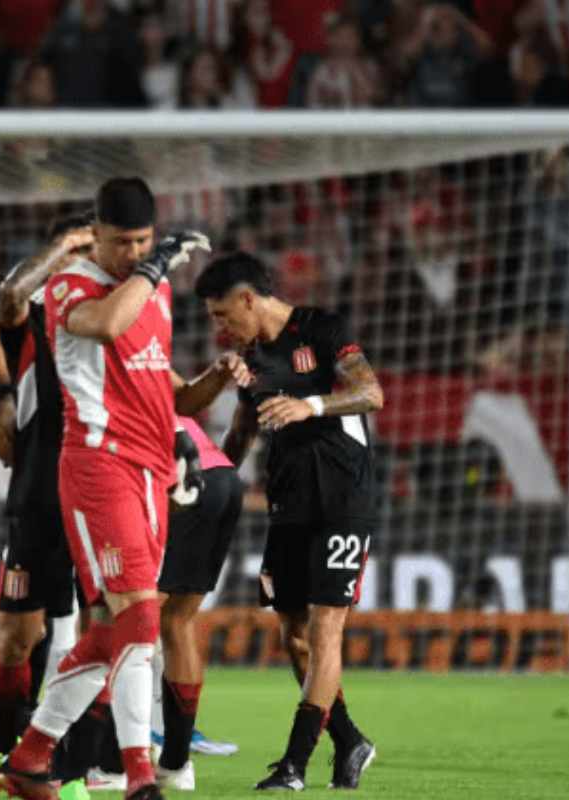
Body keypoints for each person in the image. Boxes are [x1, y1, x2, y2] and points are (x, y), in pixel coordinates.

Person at [0, 177, 206, 800]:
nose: (134, 253)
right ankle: (140, 774)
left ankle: (30, 758)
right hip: (96, 465)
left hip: (149, 470)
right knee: (140, 614)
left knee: (119, 629)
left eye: (144, 240)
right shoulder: (70, 286)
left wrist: (178, 441)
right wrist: (160, 262)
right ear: (98, 234)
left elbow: (152, 379)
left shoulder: (155, 289)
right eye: (121, 242)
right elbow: (111, 327)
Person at [194, 251, 381, 791]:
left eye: (223, 314)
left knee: (326, 631)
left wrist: (311, 406)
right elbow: (240, 434)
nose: (219, 325)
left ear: (249, 298)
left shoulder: (321, 329)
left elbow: (372, 393)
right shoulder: (248, 358)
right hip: (288, 503)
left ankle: (294, 765)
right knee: (293, 636)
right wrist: (215, 483)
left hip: (343, 498)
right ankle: (348, 739)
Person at [0, 212, 93, 793]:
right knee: (18, 638)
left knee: (107, 632)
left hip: (101, 496)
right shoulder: (36, 322)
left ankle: (85, 765)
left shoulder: (125, 319)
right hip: (39, 498)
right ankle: (3, 756)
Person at [151, 416, 244, 790]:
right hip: (223, 476)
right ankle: (175, 764)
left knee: (132, 621)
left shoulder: (92, 385)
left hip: (179, 481)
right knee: (177, 622)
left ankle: (112, 759)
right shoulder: (154, 374)